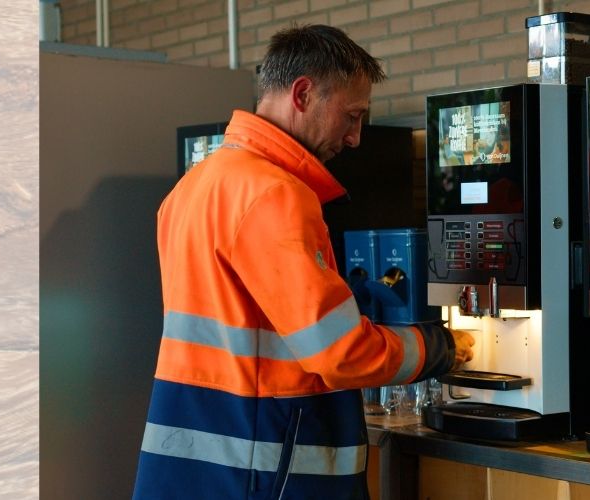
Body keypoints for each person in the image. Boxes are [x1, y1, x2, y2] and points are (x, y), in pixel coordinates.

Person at [135, 25, 474, 499]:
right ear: (303, 94)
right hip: (263, 466)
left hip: (192, 461)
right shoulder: (276, 194)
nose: (355, 137)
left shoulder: (195, 186)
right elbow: (341, 355)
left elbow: (242, 316)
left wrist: (342, 298)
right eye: (351, 116)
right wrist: (440, 348)